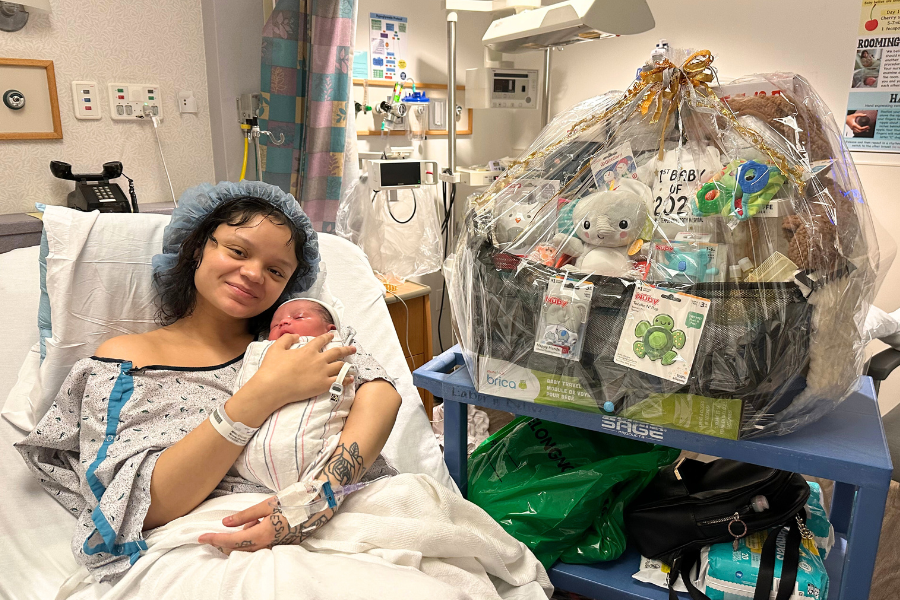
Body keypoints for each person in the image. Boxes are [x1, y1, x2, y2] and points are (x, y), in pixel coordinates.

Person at [15, 181, 402, 582]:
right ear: (198, 246)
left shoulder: (295, 342)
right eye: (237, 251)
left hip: (339, 514)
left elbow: (380, 393)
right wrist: (264, 394)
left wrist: (313, 503)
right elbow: (143, 504)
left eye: (275, 270)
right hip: (215, 542)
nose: (253, 274)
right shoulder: (128, 358)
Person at [230, 297, 384, 493]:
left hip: (318, 462)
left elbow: (380, 388)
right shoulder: (261, 350)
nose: (283, 322)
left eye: (299, 317)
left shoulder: (337, 344)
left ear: (330, 330)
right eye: (275, 324)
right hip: (250, 473)